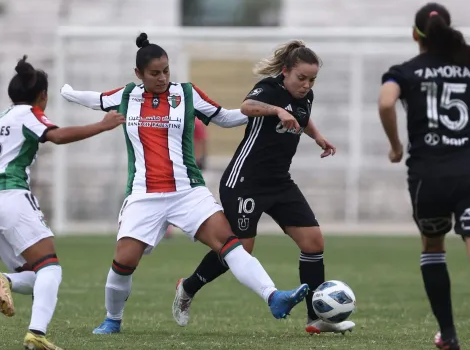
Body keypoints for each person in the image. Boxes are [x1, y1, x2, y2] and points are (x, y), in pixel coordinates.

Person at [59, 32, 310, 335]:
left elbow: (226, 118)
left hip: (187, 191)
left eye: (166, 70)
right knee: (123, 262)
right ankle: (113, 319)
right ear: (139, 74)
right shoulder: (127, 95)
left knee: (230, 245)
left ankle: (273, 296)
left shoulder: (187, 94)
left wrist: (268, 110)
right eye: (155, 73)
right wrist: (67, 92)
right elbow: (96, 99)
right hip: (144, 194)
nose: (163, 77)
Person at [172, 40, 356, 335]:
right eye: (301, 78)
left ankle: (315, 319)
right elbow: (247, 106)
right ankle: (188, 287)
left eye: (312, 79)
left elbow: (303, 118)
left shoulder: (306, 97)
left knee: (313, 243)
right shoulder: (269, 89)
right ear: (286, 72)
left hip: (279, 182)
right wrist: (276, 111)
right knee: (240, 249)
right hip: (244, 180)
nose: (307, 85)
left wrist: (318, 136)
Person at [0, 56, 125, 350]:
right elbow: (55, 136)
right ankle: (36, 334)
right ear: (42, 96)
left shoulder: (3, 119)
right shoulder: (29, 114)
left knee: (31, 275)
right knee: (51, 268)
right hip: (11, 196)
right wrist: (102, 125)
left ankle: (4, 280)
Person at [379, 3, 470, 350]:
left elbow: (387, 103)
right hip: (468, 171)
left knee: (434, 247)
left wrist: (396, 146)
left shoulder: (403, 71)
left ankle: (448, 335)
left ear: (415, 35)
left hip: (427, 177)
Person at [165, 118, 207, 238]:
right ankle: (169, 227)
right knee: (171, 194)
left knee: (192, 196)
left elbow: (201, 141)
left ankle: (195, 226)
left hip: (190, 165)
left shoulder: (195, 123)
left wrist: (199, 160)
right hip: (176, 164)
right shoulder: (174, 120)